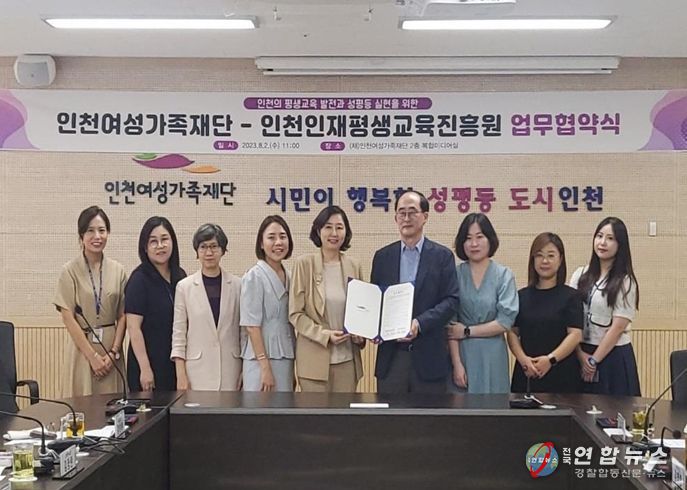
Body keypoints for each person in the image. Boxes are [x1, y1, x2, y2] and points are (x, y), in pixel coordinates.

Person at [372, 190, 459, 394]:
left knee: (428, 415)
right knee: (390, 413)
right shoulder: (382, 257)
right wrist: (372, 328)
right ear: (395, 218)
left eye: (412, 212)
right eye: (401, 213)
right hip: (392, 358)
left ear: (425, 216)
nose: (406, 218)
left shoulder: (442, 256)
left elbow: (451, 300)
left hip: (429, 358)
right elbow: (376, 301)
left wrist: (420, 323)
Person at [289, 206, 365, 392]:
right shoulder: (304, 264)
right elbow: (295, 313)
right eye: (328, 227)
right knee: (315, 411)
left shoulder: (354, 266)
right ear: (318, 231)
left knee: (344, 411)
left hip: (347, 361)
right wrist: (324, 335)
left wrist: (360, 334)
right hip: (313, 363)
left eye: (339, 227)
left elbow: (362, 310)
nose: (334, 233)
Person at [53, 205, 127, 397]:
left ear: (108, 233)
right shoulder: (69, 271)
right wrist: (92, 357)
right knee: (81, 406)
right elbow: (68, 317)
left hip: (111, 351)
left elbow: (123, 316)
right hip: (82, 350)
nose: (97, 236)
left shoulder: (118, 270)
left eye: (102, 230)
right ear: (81, 236)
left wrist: (114, 352)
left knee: (114, 407)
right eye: (90, 231)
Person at [447, 213, 518, 394]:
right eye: (468, 238)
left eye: (479, 237)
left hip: (493, 355)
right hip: (463, 355)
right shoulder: (454, 274)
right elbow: (451, 327)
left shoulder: (504, 275)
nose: (474, 244)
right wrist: (457, 364)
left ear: (490, 239)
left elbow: (505, 322)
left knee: (494, 407)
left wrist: (467, 331)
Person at [569, 217, 641, 396]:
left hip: (612, 356)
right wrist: (580, 354)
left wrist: (593, 361)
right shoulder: (580, 274)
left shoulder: (625, 281)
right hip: (581, 352)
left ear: (620, 245)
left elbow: (617, 328)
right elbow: (570, 319)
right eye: (599, 236)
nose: (602, 243)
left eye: (610, 238)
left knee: (613, 409)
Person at [507, 233, 583, 394]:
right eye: (539, 255)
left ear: (560, 260)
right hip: (527, 372)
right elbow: (512, 332)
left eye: (551, 255)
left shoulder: (571, 296)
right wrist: (523, 360)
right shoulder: (521, 296)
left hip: (562, 373)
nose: (545, 261)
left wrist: (550, 360)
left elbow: (575, 335)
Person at [171, 224, 242, 391]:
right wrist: (181, 375)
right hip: (196, 372)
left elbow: (244, 333)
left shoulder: (238, 285)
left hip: (230, 369)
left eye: (214, 246)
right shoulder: (184, 287)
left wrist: (245, 370)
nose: (209, 252)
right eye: (203, 247)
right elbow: (179, 334)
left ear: (223, 250)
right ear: (197, 251)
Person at [125, 217, 186, 392]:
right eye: (153, 241)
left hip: (174, 363)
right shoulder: (139, 279)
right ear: (145, 247)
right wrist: (145, 368)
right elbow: (134, 328)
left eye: (164, 239)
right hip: (148, 364)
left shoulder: (180, 276)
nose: (160, 246)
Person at [241, 216, 296, 392]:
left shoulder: (290, 275)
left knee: (283, 408)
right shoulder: (254, 276)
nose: (278, 242)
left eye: (283, 236)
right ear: (261, 244)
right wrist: (264, 367)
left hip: (285, 356)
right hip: (260, 361)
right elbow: (251, 326)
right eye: (271, 237)